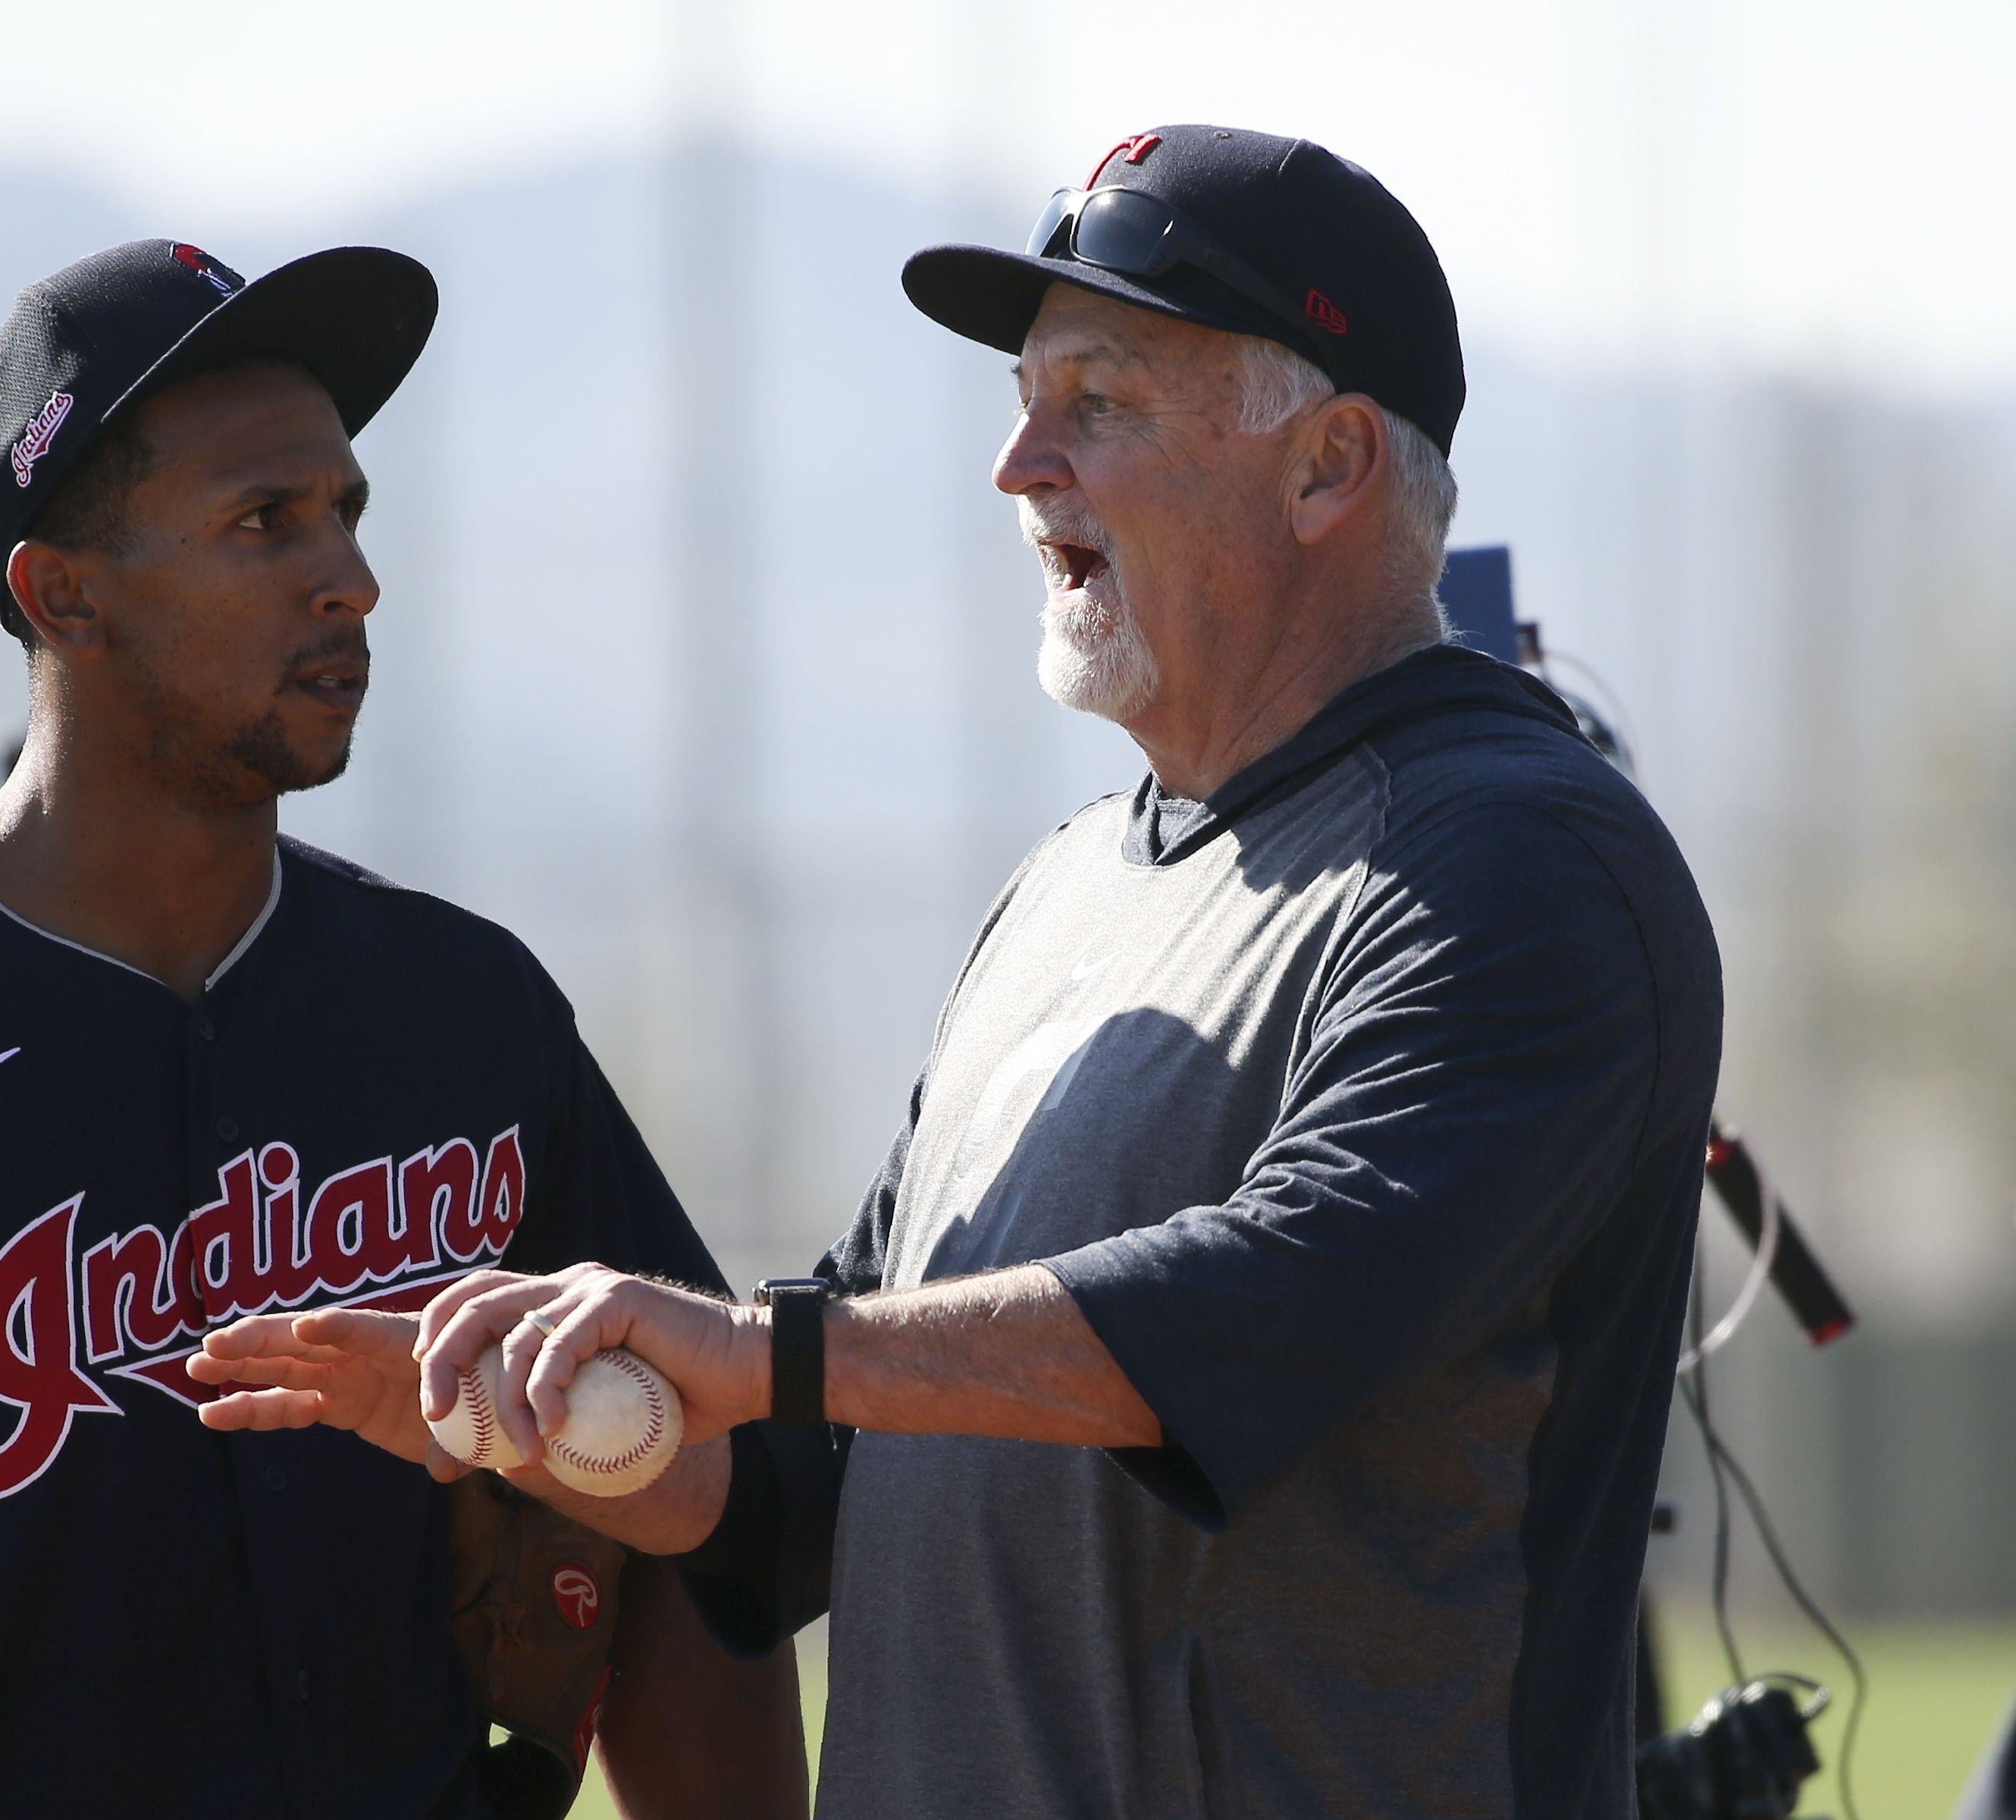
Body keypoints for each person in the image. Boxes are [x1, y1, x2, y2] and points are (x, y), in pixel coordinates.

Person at [194, 126, 1725, 1818]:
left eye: (1101, 402)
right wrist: (535, 1415)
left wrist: (764, 1351)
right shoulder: (1064, 889)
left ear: (1328, 464)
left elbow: (1270, 1313)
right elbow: (812, 1475)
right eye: (1025, 396)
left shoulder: (1521, 863)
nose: (1019, 464)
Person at [0, 236, 804, 1819]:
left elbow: (683, 1542)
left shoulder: (470, 1014)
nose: (348, 574)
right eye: (264, 521)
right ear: (66, 595)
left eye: (346, 510)